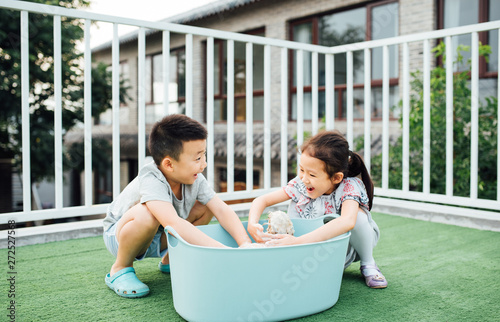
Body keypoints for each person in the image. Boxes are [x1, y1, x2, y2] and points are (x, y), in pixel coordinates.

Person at [103, 114, 252, 298]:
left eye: (203, 155)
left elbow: (221, 208)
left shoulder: (194, 178)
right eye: (197, 158)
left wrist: (244, 243)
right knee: (147, 214)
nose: (204, 164)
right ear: (169, 164)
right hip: (121, 236)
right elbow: (173, 222)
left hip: (158, 236)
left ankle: (172, 258)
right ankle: (120, 268)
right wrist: (224, 252)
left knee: (206, 206)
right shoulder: (151, 179)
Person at [247, 130, 387, 288]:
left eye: (312, 175)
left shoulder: (348, 187)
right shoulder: (300, 184)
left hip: (341, 248)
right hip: (305, 249)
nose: (304, 179)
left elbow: (348, 222)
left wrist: (297, 242)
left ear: (336, 178)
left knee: (358, 218)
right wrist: (252, 223)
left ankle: (368, 264)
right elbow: (262, 200)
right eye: (301, 170)